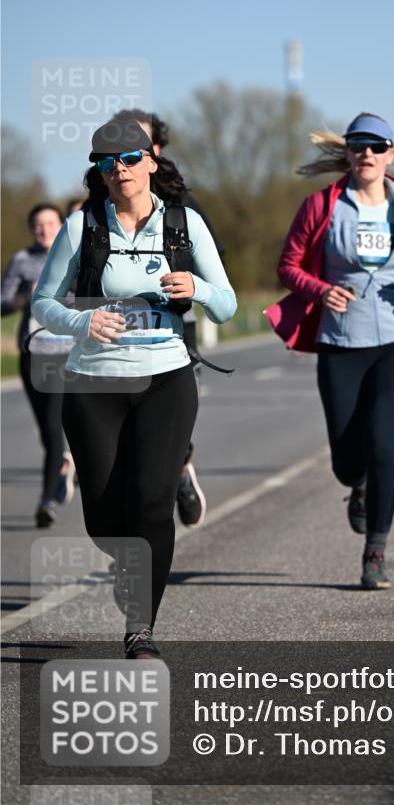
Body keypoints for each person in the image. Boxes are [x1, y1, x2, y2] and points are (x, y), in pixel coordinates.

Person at [32, 118, 236, 658]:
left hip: (165, 380)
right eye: (107, 162)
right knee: (104, 519)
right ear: (99, 172)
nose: (118, 169)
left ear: (150, 160)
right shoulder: (82, 227)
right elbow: (43, 303)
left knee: (150, 504)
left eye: (128, 158)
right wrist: (82, 321)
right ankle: (128, 559)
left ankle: (140, 629)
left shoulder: (184, 225)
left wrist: (197, 287)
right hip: (93, 384)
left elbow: (227, 304)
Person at [265, 113, 394, 590]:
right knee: (347, 463)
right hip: (341, 343)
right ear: (347, 153)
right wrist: (321, 290)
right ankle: (359, 486)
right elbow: (287, 267)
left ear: (391, 155)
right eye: (357, 145)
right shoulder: (321, 205)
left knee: (383, 444)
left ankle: (375, 552)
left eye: (376, 146)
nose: (366, 153)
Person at [111, 108, 225, 530]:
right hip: (112, 338)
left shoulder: (183, 205)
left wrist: (187, 281)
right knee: (124, 440)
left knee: (165, 425)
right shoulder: (99, 204)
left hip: (173, 333)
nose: (124, 160)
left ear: (155, 151)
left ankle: (177, 469)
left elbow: (216, 267)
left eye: (138, 146)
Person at [1, 204, 76, 527]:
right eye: (38, 224)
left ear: (61, 225)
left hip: (65, 352)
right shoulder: (21, 260)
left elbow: (92, 296)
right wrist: (24, 298)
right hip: (32, 352)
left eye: (50, 223)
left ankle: (46, 501)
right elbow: (2, 303)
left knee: (53, 424)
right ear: (32, 229)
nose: (44, 229)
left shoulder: (74, 256)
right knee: (46, 429)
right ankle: (62, 464)